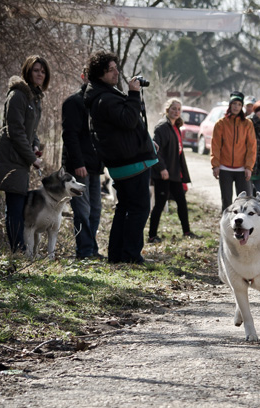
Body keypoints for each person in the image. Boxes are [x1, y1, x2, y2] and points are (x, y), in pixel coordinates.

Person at [84, 51, 158, 264]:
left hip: (125, 162)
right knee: (140, 208)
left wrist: (145, 141)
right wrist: (133, 94)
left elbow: (122, 129)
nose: (117, 72)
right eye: (111, 70)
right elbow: (128, 120)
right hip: (130, 163)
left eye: (117, 67)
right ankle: (131, 255)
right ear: (100, 74)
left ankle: (117, 255)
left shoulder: (101, 95)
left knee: (125, 207)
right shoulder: (104, 98)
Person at [0, 55, 47, 253]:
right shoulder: (18, 95)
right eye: (36, 70)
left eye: (43, 71)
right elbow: (15, 131)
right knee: (14, 206)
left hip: (22, 158)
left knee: (17, 205)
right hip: (11, 159)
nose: (40, 74)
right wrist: (32, 159)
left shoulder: (35, 97)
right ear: (27, 71)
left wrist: (35, 145)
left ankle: (19, 250)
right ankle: (18, 251)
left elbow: (31, 130)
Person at [61, 68, 104, 259]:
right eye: (89, 76)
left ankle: (91, 249)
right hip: (78, 168)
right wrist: (78, 163)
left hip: (95, 167)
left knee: (95, 210)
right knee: (82, 210)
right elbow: (69, 135)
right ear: (83, 77)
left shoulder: (98, 103)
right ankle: (84, 252)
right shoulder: (73, 102)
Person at [147, 97, 195, 244]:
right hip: (164, 174)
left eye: (179, 109)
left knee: (182, 202)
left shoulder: (176, 127)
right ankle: (152, 235)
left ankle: (187, 231)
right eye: (173, 108)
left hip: (175, 174)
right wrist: (162, 168)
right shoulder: (161, 127)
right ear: (167, 110)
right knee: (160, 204)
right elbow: (155, 150)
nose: (176, 112)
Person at [211, 91, 256, 211]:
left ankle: (242, 226)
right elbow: (215, 145)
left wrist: (248, 167)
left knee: (244, 201)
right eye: (234, 104)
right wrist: (215, 165)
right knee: (226, 200)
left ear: (242, 107)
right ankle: (226, 227)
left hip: (242, 169)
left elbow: (251, 146)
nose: (236, 106)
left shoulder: (247, 124)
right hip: (225, 168)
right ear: (230, 105)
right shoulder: (221, 124)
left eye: (239, 104)